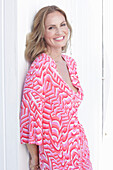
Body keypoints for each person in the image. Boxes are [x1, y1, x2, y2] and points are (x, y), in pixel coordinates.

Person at [20, 5, 92, 170]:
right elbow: (30, 117)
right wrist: (35, 160)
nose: (60, 32)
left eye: (62, 24)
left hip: (78, 148)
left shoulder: (70, 63)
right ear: (42, 33)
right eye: (51, 27)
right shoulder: (41, 67)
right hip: (55, 153)